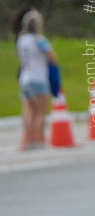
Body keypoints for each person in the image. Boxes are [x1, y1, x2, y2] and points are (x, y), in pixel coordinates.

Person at [15, 9, 57, 150]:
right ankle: (39, 140)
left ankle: (29, 140)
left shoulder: (21, 40)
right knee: (40, 111)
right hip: (39, 78)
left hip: (25, 78)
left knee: (28, 110)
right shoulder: (39, 40)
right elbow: (52, 57)